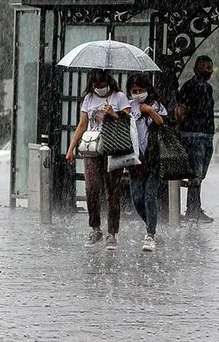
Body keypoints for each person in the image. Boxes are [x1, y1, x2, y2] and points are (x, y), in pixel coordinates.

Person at [65, 69, 131, 250]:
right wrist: (71, 148)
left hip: (113, 147)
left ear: (108, 81)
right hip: (93, 147)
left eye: (101, 84)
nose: (99, 88)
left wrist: (113, 114)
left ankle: (112, 232)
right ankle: (95, 228)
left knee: (112, 191)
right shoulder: (89, 99)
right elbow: (82, 124)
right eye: (95, 85)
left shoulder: (119, 97)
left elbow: (128, 121)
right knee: (91, 187)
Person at [126, 73, 167, 251]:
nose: (137, 93)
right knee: (137, 198)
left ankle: (150, 234)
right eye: (134, 90)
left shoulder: (156, 105)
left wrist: (149, 110)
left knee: (150, 196)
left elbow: (163, 123)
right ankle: (151, 223)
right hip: (135, 159)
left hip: (154, 158)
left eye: (140, 90)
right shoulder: (128, 105)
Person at [176, 55, 215, 223]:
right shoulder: (188, 87)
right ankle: (193, 208)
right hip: (192, 136)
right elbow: (180, 112)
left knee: (201, 174)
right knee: (195, 174)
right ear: (195, 69)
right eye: (204, 67)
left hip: (207, 135)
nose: (207, 70)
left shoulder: (208, 89)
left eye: (209, 67)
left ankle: (194, 207)